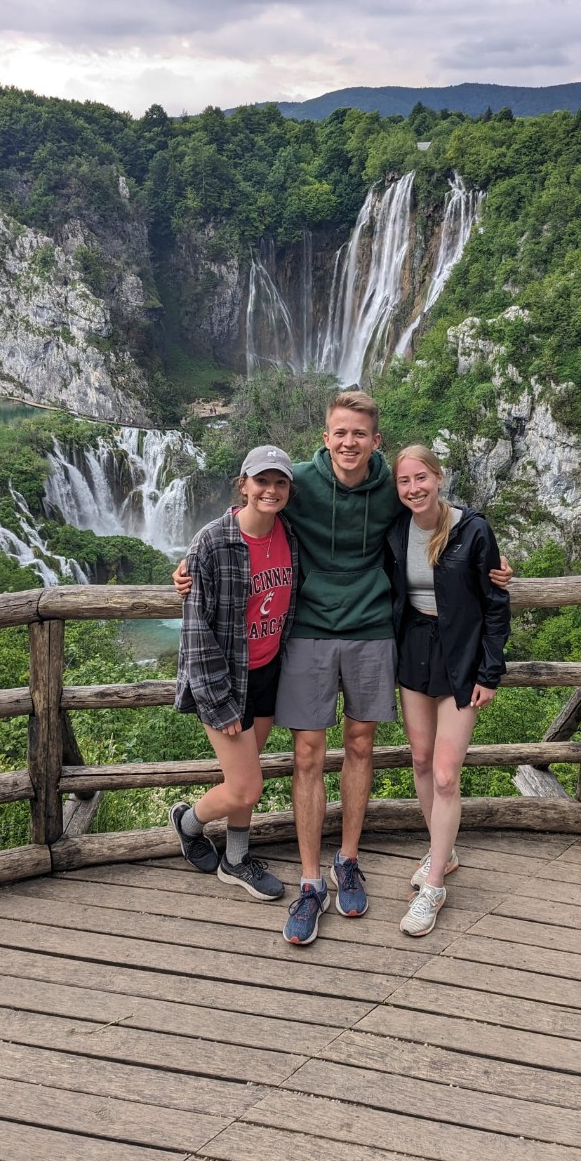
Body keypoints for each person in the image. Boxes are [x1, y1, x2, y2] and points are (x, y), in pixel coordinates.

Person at [173, 391, 512, 944]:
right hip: (307, 632)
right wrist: (194, 557)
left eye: (360, 434)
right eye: (340, 433)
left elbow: (443, 516)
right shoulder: (300, 481)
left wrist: (494, 565)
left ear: (375, 440)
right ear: (325, 437)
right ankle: (311, 881)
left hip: (374, 631)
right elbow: (255, 504)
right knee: (307, 753)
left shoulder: (391, 488)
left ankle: (347, 860)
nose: (349, 443)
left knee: (360, 746)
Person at [387, 444, 511, 937]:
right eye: (405, 482)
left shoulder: (472, 530)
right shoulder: (395, 530)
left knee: (444, 774)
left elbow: (495, 602)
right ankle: (444, 849)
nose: (414, 488)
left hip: (461, 656)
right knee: (419, 759)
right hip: (413, 648)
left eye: (422, 478)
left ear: (439, 478)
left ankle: (433, 885)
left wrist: (490, 671)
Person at [170, 444, 298, 902]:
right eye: (261, 481)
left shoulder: (289, 533)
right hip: (224, 680)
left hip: (265, 672)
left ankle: (236, 859)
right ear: (243, 485)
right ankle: (186, 822)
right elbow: (195, 633)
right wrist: (217, 700)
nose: (271, 489)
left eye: (280, 482)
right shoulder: (211, 541)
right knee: (246, 787)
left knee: (245, 781)